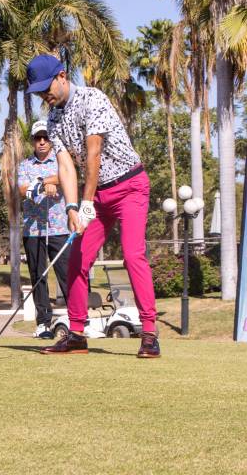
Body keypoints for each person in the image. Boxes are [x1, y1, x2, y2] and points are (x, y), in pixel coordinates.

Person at [25, 54, 161, 358]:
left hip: (130, 186)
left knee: (132, 254)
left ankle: (150, 333)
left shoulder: (92, 99)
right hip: (96, 195)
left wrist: (86, 202)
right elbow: (66, 166)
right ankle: (76, 334)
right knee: (78, 261)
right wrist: (73, 208)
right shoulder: (53, 119)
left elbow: (94, 153)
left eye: (47, 86)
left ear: (62, 76)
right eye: (39, 91)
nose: (44, 94)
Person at [18, 120, 71, 339]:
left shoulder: (60, 159)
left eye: (45, 138)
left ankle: (76, 318)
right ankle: (43, 323)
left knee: (66, 275)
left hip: (59, 228)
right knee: (38, 276)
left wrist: (47, 180)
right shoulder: (25, 165)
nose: (42, 142)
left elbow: (65, 176)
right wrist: (44, 184)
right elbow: (23, 189)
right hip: (33, 230)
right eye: (37, 138)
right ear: (32, 140)